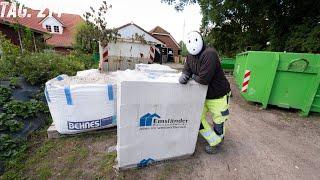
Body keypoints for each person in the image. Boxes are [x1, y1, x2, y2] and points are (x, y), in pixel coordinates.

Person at [179, 31, 231, 154]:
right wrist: (185, 75)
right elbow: (187, 69)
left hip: (218, 94)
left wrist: (192, 77)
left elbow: (203, 79)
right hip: (202, 95)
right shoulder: (190, 56)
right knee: (197, 117)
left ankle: (218, 142)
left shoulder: (210, 54)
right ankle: (213, 139)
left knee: (218, 119)